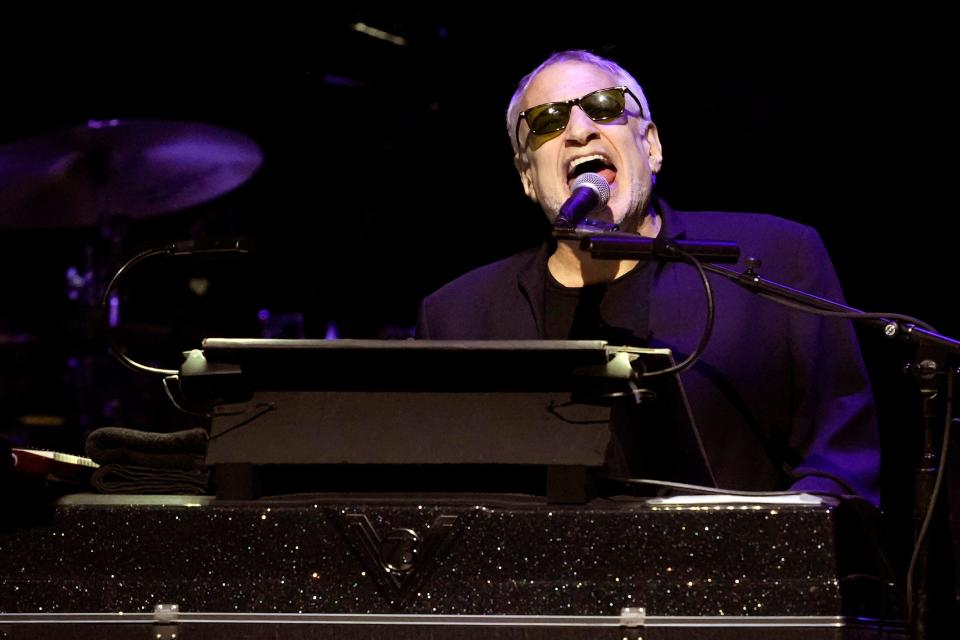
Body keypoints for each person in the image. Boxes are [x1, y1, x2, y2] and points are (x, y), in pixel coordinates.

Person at [416, 50, 880, 505]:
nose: (579, 130)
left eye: (605, 107)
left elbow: (839, 463)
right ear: (527, 177)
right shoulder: (457, 316)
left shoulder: (775, 256)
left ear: (652, 146)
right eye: (547, 121)